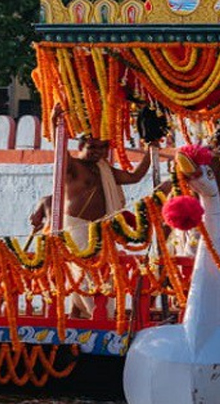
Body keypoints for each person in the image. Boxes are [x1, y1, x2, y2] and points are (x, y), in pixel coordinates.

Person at [30, 104, 155, 317]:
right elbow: (59, 150)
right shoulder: (73, 166)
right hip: (76, 228)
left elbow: (135, 177)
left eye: (101, 147)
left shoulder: (104, 169)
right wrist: (53, 121)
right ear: (81, 146)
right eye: (92, 147)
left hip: (101, 230)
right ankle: (101, 318)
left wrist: (151, 150)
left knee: (99, 275)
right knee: (87, 275)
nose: (97, 151)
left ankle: (78, 317)